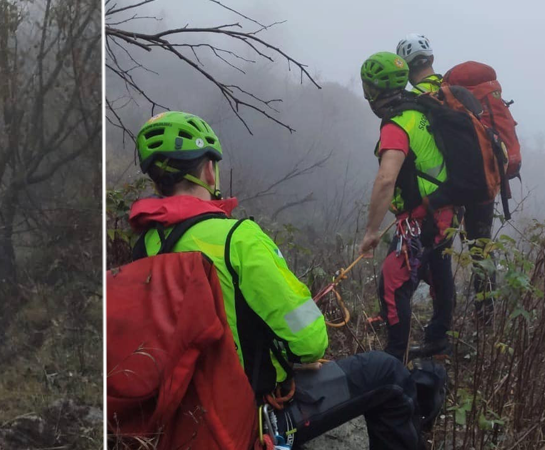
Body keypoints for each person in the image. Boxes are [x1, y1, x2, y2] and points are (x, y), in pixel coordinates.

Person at [128, 110, 422, 449]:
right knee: (388, 373)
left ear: (156, 182)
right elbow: (310, 342)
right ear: (209, 170)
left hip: (178, 418)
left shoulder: (144, 247)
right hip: (247, 420)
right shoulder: (238, 238)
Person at [358, 51, 457, 361]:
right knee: (438, 271)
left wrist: (371, 231)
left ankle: (394, 358)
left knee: (392, 284)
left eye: (367, 88)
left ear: (375, 90)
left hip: (421, 217)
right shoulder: (421, 108)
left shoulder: (397, 123)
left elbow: (386, 179)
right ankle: (438, 342)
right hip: (445, 208)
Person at [398, 33, 496, 321]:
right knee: (481, 249)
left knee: (438, 254)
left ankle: (440, 322)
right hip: (479, 184)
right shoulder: (459, 92)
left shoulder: (413, 101)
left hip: (445, 191)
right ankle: (486, 317)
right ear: (431, 59)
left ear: (405, 68)